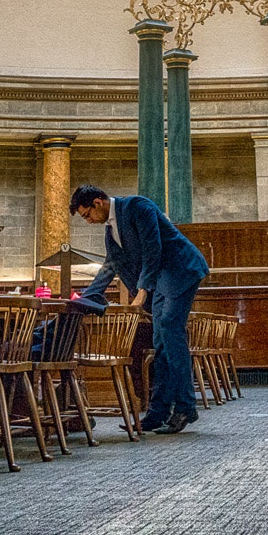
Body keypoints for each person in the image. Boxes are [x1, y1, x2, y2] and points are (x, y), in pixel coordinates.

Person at [70, 184, 209, 433]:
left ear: (98, 203)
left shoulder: (138, 206)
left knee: (169, 330)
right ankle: (157, 413)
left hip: (181, 270)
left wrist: (143, 288)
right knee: (160, 342)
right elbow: (110, 266)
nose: (88, 220)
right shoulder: (110, 230)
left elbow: (152, 247)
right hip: (160, 279)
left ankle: (186, 407)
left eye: (87, 215)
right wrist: (86, 298)